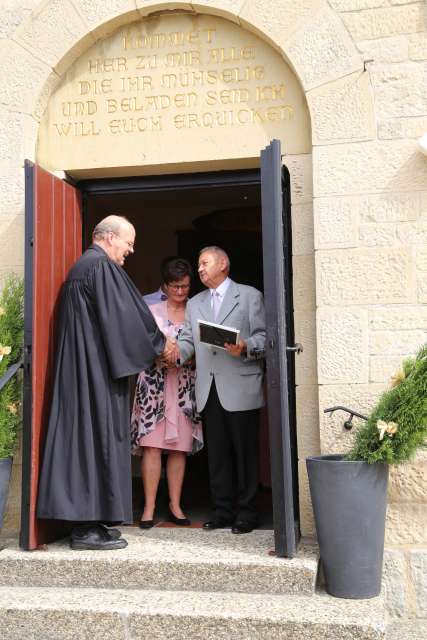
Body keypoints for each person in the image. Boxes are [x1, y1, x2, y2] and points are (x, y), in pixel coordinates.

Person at [37, 215, 175, 550]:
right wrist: (159, 344)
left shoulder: (84, 268)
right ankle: (84, 529)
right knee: (93, 437)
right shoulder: (100, 268)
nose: (130, 249)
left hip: (87, 366)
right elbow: (126, 317)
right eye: (128, 242)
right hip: (93, 371)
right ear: (110, 237)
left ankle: (93, 520)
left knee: (90, 437)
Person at [176, 246, 266, 534]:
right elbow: (188, 340)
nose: (199, 269)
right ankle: (222, 511)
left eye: (204, 263)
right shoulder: (195, 302)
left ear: (223, 264)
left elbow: (265, 336)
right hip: (208, 387)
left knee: (245, 454)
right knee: (217, 457)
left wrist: (246, 347)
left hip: (241, 385)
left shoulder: (249, 295)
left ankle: (247, 513)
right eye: (198, 264)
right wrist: (174, 353)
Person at [131, 258, 203, 528]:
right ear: (165, 285)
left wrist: (189, 358)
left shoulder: (196, 310)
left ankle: (175, 504)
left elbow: (205, 344)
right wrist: (155, 357)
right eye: (175, 286)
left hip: (184, 384)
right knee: (151, 446)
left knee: (179, 449)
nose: (181, 291)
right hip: (153, 384)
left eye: (185, 286)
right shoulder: (150, 308)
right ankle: (149, 507)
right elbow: (135, 343)